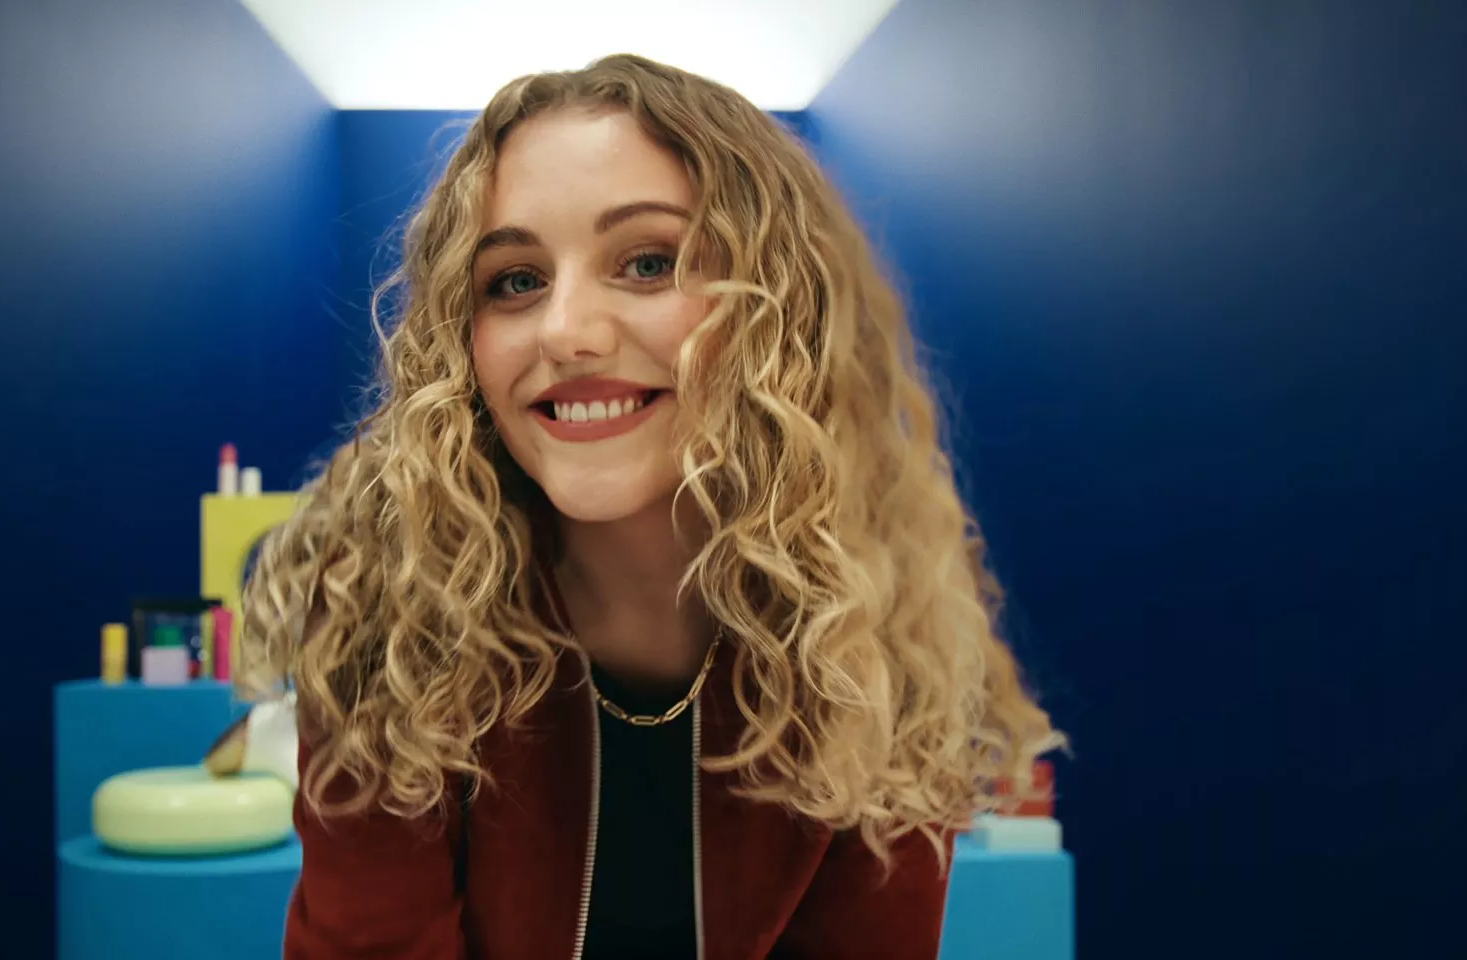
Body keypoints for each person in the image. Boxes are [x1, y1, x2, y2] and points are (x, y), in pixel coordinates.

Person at [239, 52, 1061, 960]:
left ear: (778, 312)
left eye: (646, 261)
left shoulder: (881, 627)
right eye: (515, 280)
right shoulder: (384, 607)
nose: (566, 331)